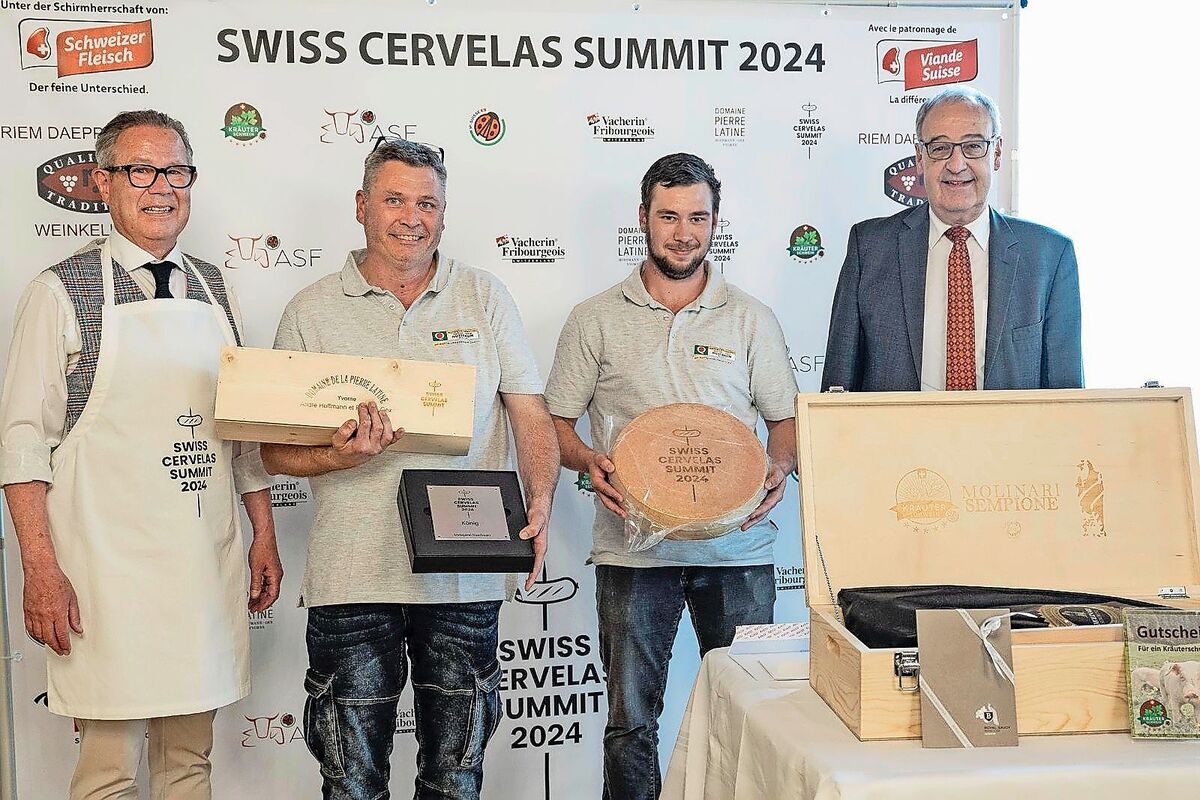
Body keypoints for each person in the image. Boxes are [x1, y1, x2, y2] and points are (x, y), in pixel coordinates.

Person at [260, 138, 558, 800]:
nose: (412, 218)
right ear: (361, 206)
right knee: (352, 784)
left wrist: (540, 500)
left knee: (454, 781)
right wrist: (337, 454)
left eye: (428, 203)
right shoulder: (311, 309)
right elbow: (274, 452)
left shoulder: (485, 296)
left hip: (464, 579)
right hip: (351, 579)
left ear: (444, 213)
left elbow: (531, 414)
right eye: (395, 200)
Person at [0, 110, 282, 799]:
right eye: (141, 171)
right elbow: (22, 444)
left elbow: (242, 432)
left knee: (189, 763)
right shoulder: (60, 292)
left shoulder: (215, 288)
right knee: (108, 773)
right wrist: (40, 569)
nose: (162, 187)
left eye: (176, 172)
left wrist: (264, 533)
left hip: (200, 570)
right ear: (103, 182)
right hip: (104, 578)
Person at [544, 153, 798, 800]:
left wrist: (780, 465)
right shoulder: (595, 318)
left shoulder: (751, 318)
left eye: (697, 217)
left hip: (738, 551)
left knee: (752, 720)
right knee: (631, 724)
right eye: (668, 217)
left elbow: (786, 421)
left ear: (715, 221)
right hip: (634, 552)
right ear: (643, 218)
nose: (684, 233)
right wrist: (588, 462)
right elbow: (555, 424)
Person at [822, 86, 1082, 392]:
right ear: (920, 157)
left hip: (1009, 427)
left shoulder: (1049, 256)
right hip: (898, 426)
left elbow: (1067, 401)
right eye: (940, 148)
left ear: (997, 153)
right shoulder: (869, 249)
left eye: (973, 146)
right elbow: (836, 395)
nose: (956, 165)